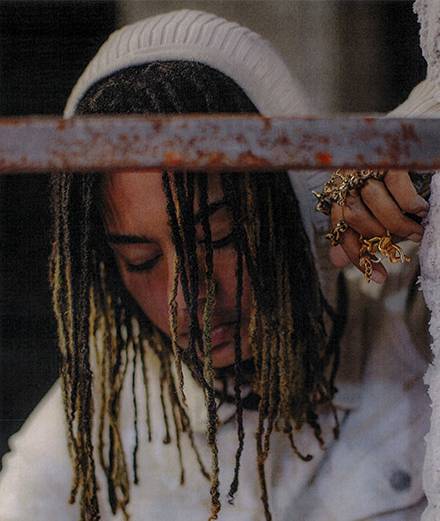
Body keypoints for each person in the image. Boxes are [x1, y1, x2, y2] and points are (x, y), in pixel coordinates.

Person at [0, 8, 433, 521]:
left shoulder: (411, 322)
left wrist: (421, 142)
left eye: (219, 238)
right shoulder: (104, 406)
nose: (186, 302)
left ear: (294, 203)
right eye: (141, 261)